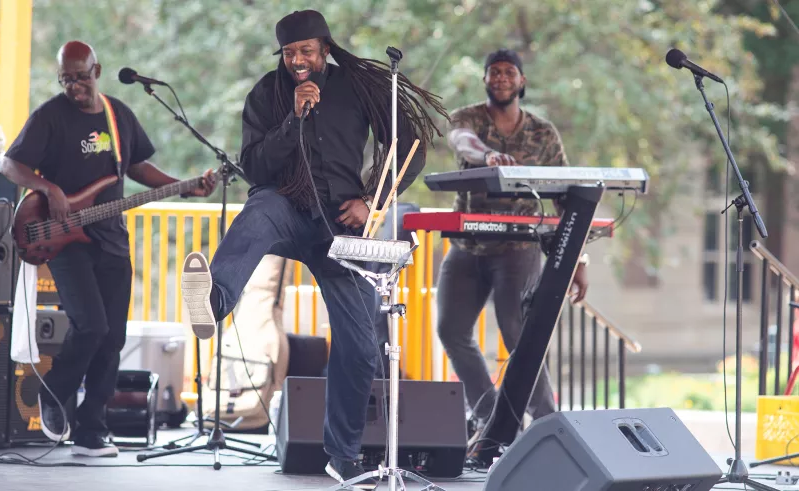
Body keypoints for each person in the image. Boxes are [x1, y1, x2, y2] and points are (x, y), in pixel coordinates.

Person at [179, 10, 447, 487]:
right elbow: (256, 168)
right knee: (257, 214)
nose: (297, 61)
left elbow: (410, 147)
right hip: (286, 205)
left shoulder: (359, 87)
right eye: (288, 53)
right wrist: (292, 120)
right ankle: (214, 299)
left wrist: (372, 200)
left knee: (363, 348)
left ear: (325, 48)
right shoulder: (268, 93)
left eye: (305, 51)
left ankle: (341, 456)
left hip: (339, 224)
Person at [0, 41, 216, 457]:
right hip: (64, 237)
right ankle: (54, 392)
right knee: (91, 326)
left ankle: (90, 430)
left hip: (112, 239)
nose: (74, 87)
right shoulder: (50, 116)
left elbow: (137, 167)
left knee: (113, 337)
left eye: (81, 77)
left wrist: (185, 186)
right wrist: (49, 188)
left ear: (96, 70)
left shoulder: (118, 116)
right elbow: (11, 164)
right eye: (66, 79)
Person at [437, 49, 588, 449]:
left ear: (521, 81)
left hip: (518, 249)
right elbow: (461, 141)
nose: (501, 78)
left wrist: (578, 258)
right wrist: (486, 155)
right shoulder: (469, 118)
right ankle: (495, 421)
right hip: (467, 246)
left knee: (517, 333)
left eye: (509, 72)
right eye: (494, 72)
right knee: (450, 330)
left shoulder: (543, 132)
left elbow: (567, 200)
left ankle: (548, 426)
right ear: (485, 80)